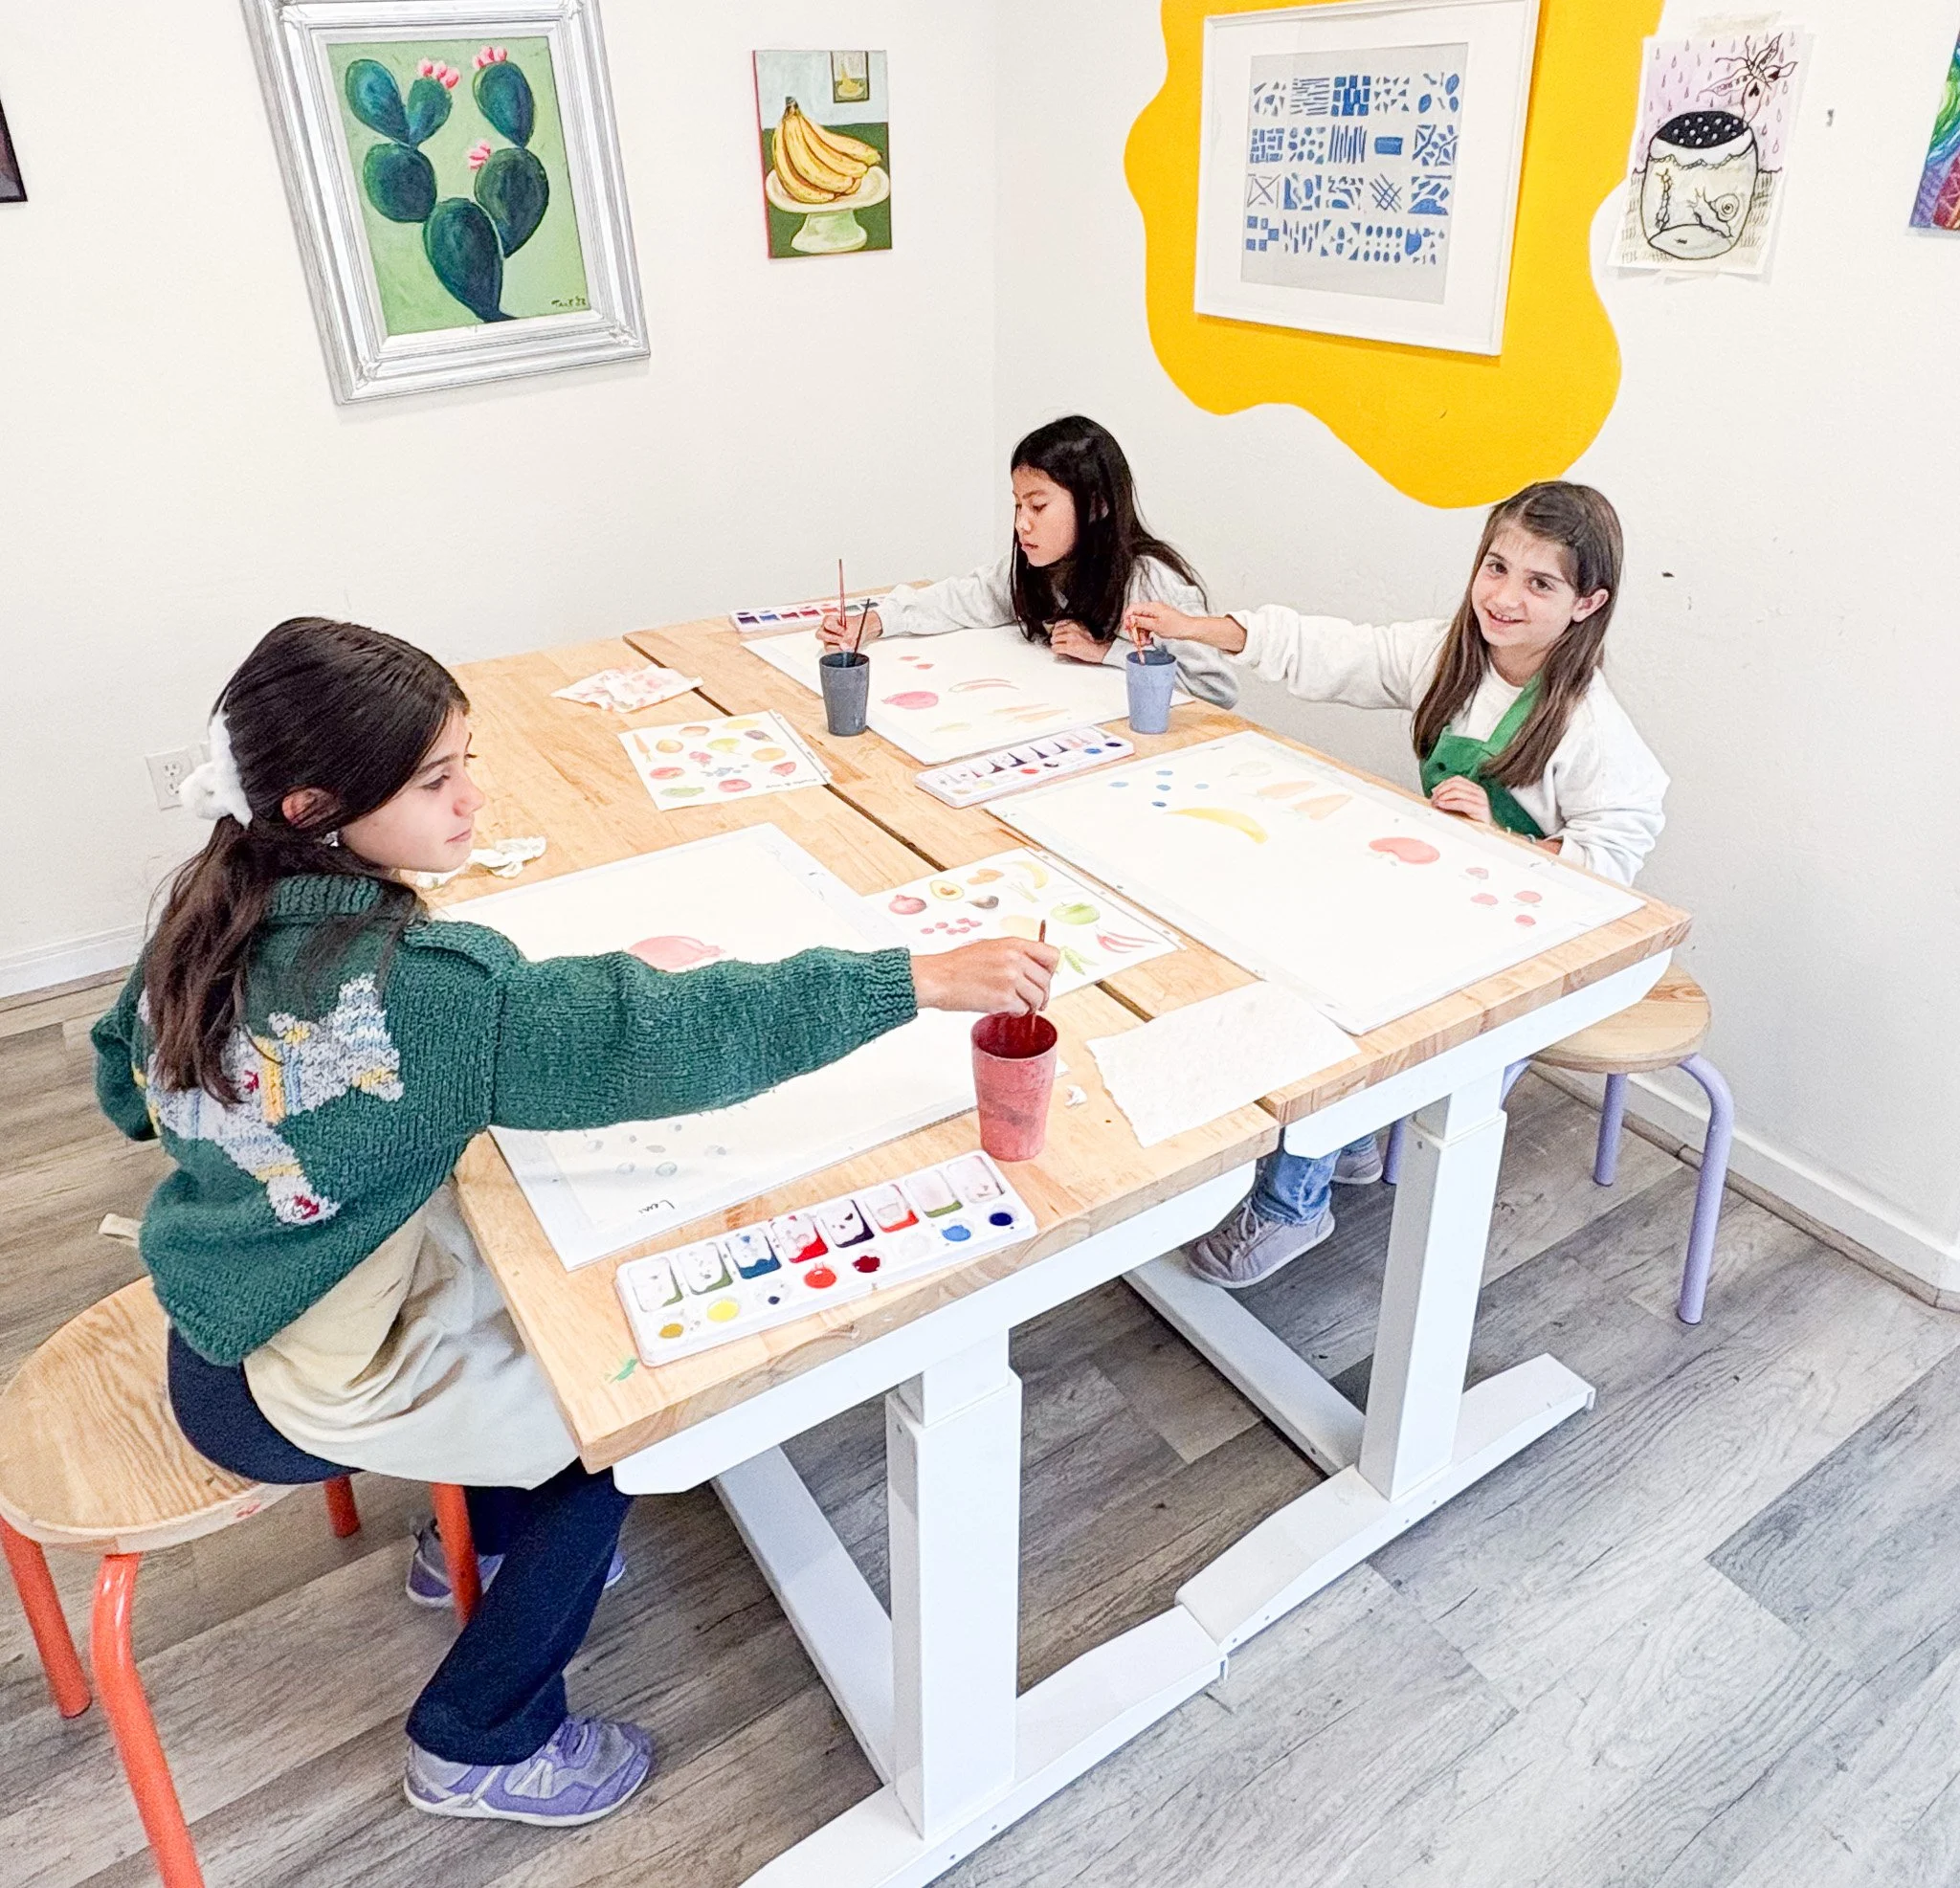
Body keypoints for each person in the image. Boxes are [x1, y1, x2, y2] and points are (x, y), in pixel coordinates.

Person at [92, 616, 1058, 1824]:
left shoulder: (204, 905)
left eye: (466, 763)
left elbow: (120, 1085)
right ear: (312, 806)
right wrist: (910, 977)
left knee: (517, 1293)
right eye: (437, 781)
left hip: (220, 1294)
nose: (472, 802)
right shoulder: (423, 993)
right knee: (627, 1416)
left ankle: (471, 1541)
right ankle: (477, 1732)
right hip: (292, 1374)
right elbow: (655, 1028)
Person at [1125, 481, 1667, 1289]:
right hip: (1444, 907)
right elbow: (1331, 650)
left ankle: (1290, 1204)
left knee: (1342, 1005)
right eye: (1497, 566)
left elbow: (1618, 858)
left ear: (1589, 603)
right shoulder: (1451, 658)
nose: (1505, 597)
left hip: (1526, 950)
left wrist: (1508, 840)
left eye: (1539, 582)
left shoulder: (1592, 727)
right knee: (1300, 939)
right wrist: (1199, 629)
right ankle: (1343, 1143)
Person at [819, 413, 1236, 707]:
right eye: (1018, 506)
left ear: (1095, 506)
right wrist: (879, 620)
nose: (1022, 525)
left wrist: (1107, 651)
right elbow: (970, 597)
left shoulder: (1149, 582)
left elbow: (1215, 691)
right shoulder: (1040, 567)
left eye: (1038, 507)